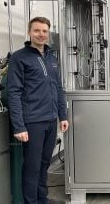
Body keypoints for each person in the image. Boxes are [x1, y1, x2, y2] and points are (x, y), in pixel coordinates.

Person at [8, 17, 69, 204]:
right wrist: (19, 126)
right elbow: (13, 93)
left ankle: (42, 199)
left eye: (44, 31)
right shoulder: (19, 58)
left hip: (51, 120)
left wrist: (62, 115)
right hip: (32, 121)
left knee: (44, 165)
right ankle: (31, 202)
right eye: (37, 31)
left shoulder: (51, 57)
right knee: (32, 167)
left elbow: (57, 88)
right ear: (29, 32)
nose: (41, 34)